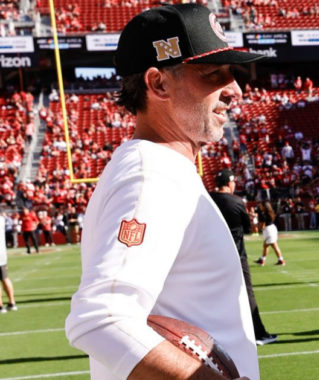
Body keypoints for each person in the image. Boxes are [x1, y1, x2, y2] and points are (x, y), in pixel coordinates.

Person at [64, 4, 264, 379]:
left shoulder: (162, 169)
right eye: (213, 74)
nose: (234, 89)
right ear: (158, 84)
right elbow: (99, 318)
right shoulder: (150, 176)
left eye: (232, 73)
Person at [210, 169, 278, 346]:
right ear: (229, 183)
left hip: (213, 256)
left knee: (215, 295)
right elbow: (248, 228)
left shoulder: (207, 199)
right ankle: (258, 333)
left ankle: (214, 334)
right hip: (237, 255)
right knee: (247, 294)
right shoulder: (236, 202)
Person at [255, 201, 285, 266]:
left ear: (264, 207)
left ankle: (281, 260)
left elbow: (262, 225)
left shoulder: (263, 214)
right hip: (272, 229)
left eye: (261, 206)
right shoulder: (270, 212)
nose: (260, 207)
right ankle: (262, 260)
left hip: (268, 230)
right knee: (266, 245)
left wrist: (256, 227)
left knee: (273, 245)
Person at [0, 215, 17, 313]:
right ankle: (12, 302)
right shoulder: (2, 219)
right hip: (2, 254)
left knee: (4, 279)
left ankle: (0, 306)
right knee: (5, 278)